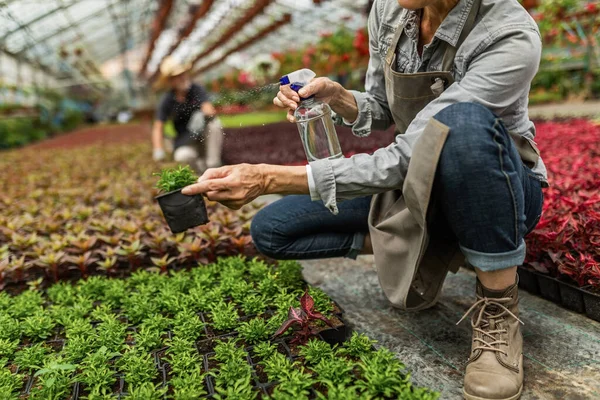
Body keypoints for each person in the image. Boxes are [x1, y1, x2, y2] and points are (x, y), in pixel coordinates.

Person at [182, 1, 547, 398]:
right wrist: (336, 96)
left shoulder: (509, 33)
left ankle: (497, 305)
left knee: (464, 125)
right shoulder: (391, 10)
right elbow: (382, 108)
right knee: (273, 229)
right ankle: (424, 244)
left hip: (498, 189)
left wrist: (271, 177)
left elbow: (414, 150)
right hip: (415, 183)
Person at [152, 56, 224, 173]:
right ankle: (202, 171)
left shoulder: (196, 89)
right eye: (177, 76)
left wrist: (202, 114)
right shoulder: (167, 100)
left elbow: (209, 109)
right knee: (182, 156)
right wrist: (158, 150)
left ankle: (213, 165)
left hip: (203, 136)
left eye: (183, 74)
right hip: (186, 140)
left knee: (214, 125)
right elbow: (158, 127)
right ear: (171, 81)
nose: (182, 78)